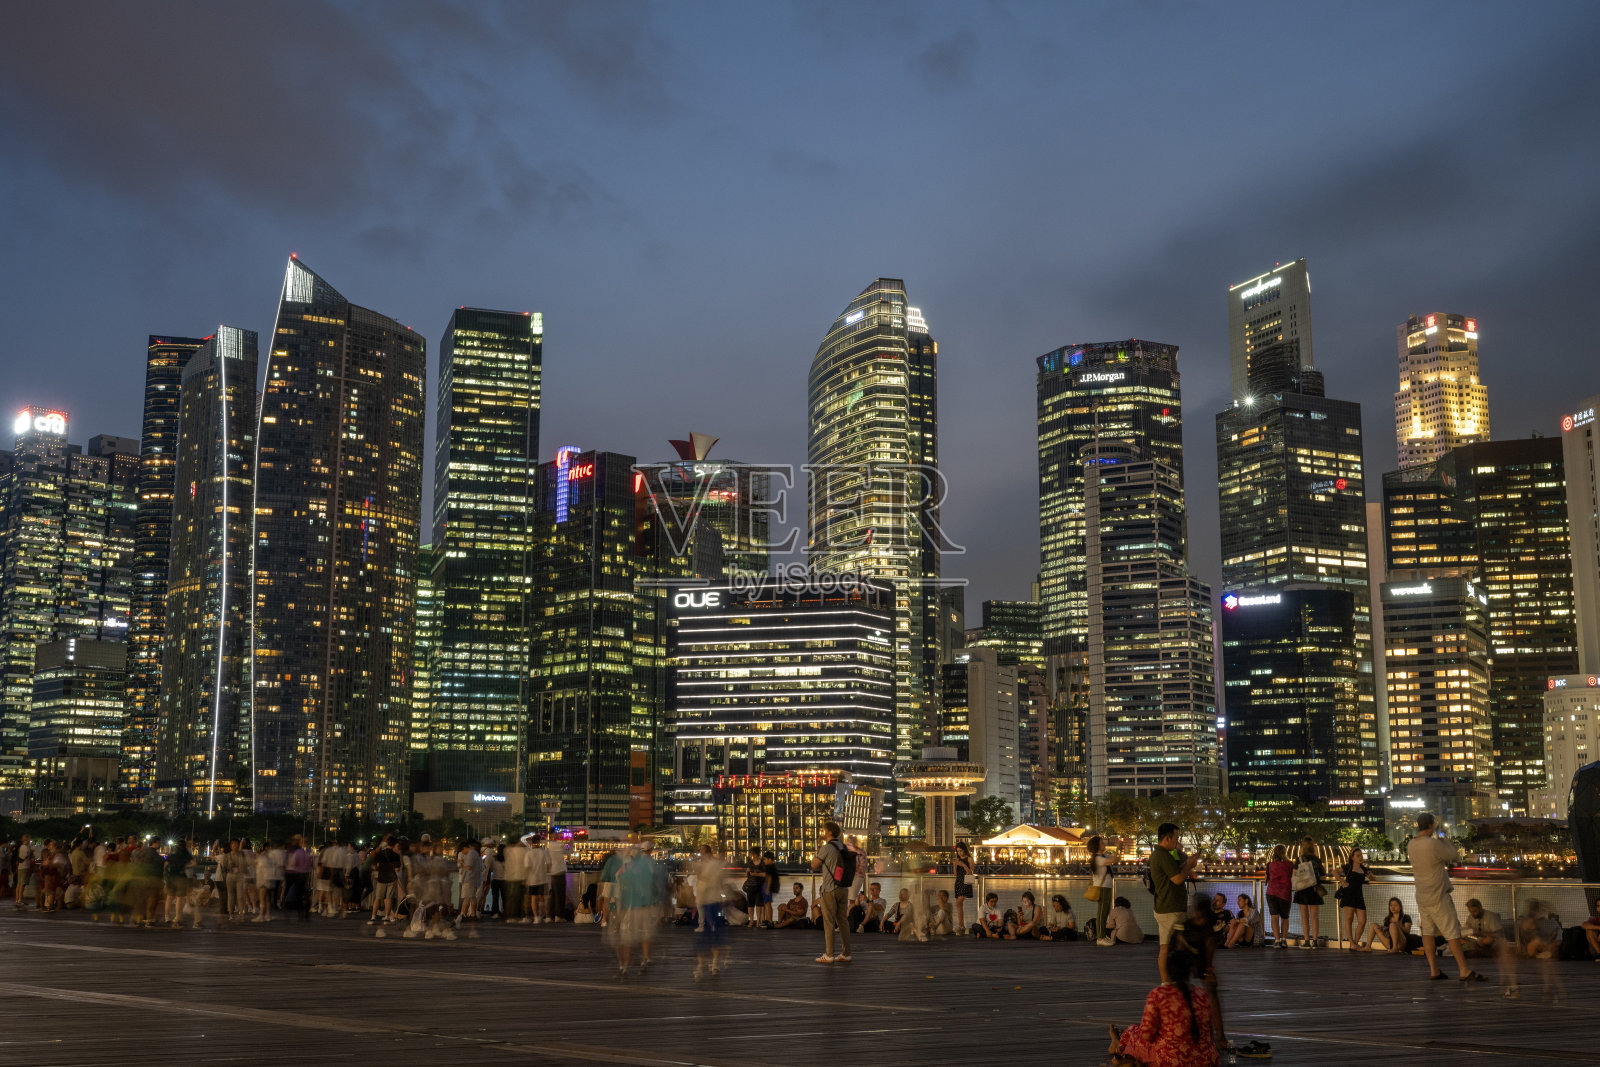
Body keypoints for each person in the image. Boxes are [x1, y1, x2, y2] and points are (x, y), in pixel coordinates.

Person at [1106, 935, 1221, 1067]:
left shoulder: (1158, 995)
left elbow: (1147, 1035)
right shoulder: (1203, 996)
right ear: (1190, 972)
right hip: (1207, 1060)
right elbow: (1209, 1033)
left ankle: (1119, 1045)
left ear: (1168, 970)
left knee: (1133, 1032)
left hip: (1171, 1060)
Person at [1407, 812, 1482, 981]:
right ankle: (1464, 970)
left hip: (1422, 895)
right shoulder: (1432, 844)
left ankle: (1434, 970)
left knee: (1427, 932)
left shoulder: (1411, 844)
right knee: (1452, 932)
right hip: (1438, 894)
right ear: (1431, 826)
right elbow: (1453, 855)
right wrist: (1443, 837)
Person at [1150, 822, 1199, 980]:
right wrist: (1189, 865)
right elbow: (1177, 878)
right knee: (1169, 947)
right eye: (1176, 838)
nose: (1177, 842)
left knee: (1171, 946)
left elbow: (1176, 873)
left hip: (1167, 906)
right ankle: (1168, 982)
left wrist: (1187, 866)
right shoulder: (1162, 855)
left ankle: (1170, 981)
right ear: (1167, 838)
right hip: (1170, 908)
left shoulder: (1161, 854)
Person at [809, 820, 851, 963]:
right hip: (843, 888)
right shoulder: (842, 846)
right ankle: (846, 953)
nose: (822, 832)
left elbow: (814, 864)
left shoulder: (827, 848)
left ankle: (829, 954)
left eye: (824, 830)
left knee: (828, 921)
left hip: (830, 888)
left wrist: (818, 845)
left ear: (829, 832)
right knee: (842, 921)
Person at [689, 844, 726, 979]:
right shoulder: (714, 864)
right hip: (711, 900)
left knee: (707, 934)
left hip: (708, 900)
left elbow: (705, 879)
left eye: (702, 852)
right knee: (714, 932)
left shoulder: (707, 865)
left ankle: (704, 965)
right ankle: (713, 963)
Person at [1290, 838, 1325, 948]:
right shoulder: (1317, 860)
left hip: (1303, 890)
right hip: (1314, 889)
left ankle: (1306, 941)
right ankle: (1315, 941)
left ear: (1303, 847)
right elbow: (1323, 876)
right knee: (1315, 917)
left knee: (1304, 917)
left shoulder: (1299, 859)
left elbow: (1295, 875)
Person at [1337, 847, 1370, 950]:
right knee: (1349, 919)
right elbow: (1334, 872)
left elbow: (1373, 878)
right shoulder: (1348, 867)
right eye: (1358, 856)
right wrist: (1342, 881)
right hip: (1348, 895)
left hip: (1359, 896)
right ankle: (1351, 943)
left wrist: (1371, 876)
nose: (1360, 857)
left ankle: (1355, 942)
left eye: (1361, 855)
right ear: (1352, 858)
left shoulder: (1364, 869)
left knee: (1362, 921)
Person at [1263, 844, 1293, 948]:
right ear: (1285, 852)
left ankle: (1276, 940)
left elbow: (1265, 878)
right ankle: (1284, 940)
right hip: (1285, 893)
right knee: (1285, 917)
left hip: (1271, 892)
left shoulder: (1269, 864)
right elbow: (1293, 876)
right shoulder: (1290, 864)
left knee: (1274, 917)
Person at [368, 836, 401, 925]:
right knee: (388, 899)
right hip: (392, 878)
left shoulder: (380, 854)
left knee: (378, 898)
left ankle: (373, 917)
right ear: (394, 845)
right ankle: (386, 918)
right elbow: (397, 869)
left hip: (381, 878)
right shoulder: (396, 855)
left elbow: (374, 862)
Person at [1087, 834, 1114, 941]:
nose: (1104, 844)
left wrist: (1117, 854)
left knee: (1105, 912)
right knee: (1102, 913)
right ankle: (1100, 937)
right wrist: (1117, 853)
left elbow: (1113, 859)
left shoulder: (1103, 856)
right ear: (1097, 846)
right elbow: (1111, 860)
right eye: (1102, 843)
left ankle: (1102, 936)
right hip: (1102, 887)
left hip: (1107, 886)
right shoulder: (1098, 858)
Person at [524, 833, 551, 923]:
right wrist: (546, 872)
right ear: (539, 842)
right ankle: (543, 915)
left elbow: (527, 868)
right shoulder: (544, 852)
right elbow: (549, 864)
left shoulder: (529, 853)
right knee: (543, 898)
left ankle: (536, 917)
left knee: (533, 898)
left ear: (532, 843)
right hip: (543, 879)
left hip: (532, 879)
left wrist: (527, 879)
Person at [501, 835, 528, 924]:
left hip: (509, 877)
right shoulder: (523, 850)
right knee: (519, 898)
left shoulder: (507, 850)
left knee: (510, 898)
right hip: (520, 877)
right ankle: (518, 916)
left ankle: (510, 916)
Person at [953, 841, 975, 931]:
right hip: (958, 882)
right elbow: (955, 874)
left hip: (966, 881)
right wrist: (955, 865)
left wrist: (963, 865)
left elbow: (971, 872)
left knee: (958, 902)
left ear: (964, 850)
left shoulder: (969, 859)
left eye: (961, 851)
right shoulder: (957, 859)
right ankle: (961, 925)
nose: (959, 853)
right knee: (959, 904)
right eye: (958, 851)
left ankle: (960, 924)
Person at [545, 837, 568, 922]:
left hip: (553, 873)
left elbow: (548, 863)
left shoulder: (548, 849)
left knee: (553, 895)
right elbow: (568, 849)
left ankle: (550, 915)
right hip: (560, 872)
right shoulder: (557, 845)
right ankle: (559, 916)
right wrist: (570, 841)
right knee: (560, 895)